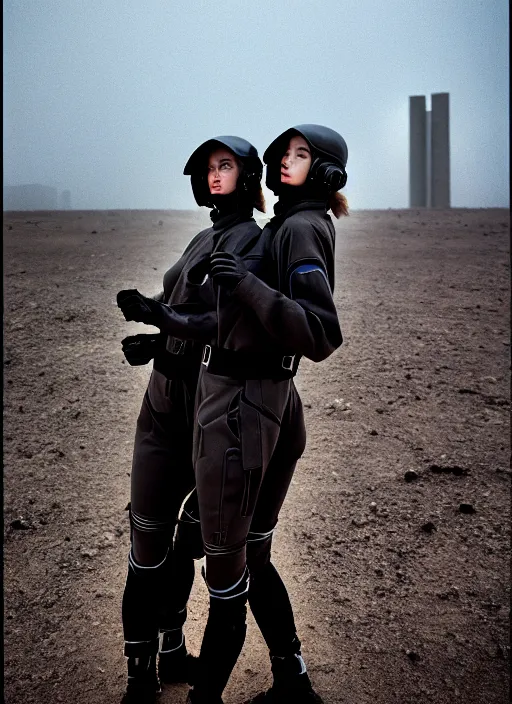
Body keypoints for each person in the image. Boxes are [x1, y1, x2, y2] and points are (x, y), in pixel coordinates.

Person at [179, 124, 348, 704]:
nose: (286, 161)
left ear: (326, 174)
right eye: (284, 153)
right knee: (255, 548)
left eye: (302, 156)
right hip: (276, 401)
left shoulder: (300, 227)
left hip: (251, 407)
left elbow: (321, 333)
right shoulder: (291, 223)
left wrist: (249, 287)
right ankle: (293, 679)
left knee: (229, 564)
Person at [116, 135, 265, 704]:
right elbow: (184, 308)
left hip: (210, 409)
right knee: (148, 540)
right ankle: (142, 677)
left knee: (190, 544)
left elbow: (221, 323)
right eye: (208, 169)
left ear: (247, 175)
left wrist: (160, 317)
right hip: (163, 404)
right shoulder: (204, 234)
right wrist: (155, 341)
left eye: (225, 166)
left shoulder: (251, 242)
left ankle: (175, 651)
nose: (214, 176)